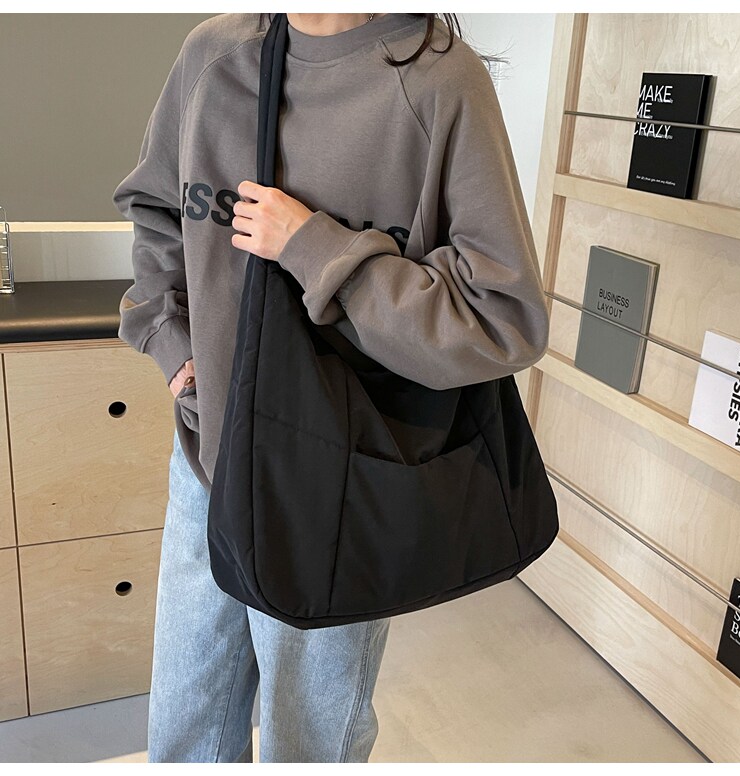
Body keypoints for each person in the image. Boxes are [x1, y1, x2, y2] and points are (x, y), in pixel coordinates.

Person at [113, 12, 550, 763]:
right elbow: (157, 210)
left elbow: (503, 317)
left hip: (338, 480)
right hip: (207, 461)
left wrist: (314, 247)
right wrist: (173, 346)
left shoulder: (439, 81)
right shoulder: (215, 56)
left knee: (307, 744)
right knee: (184, 733)